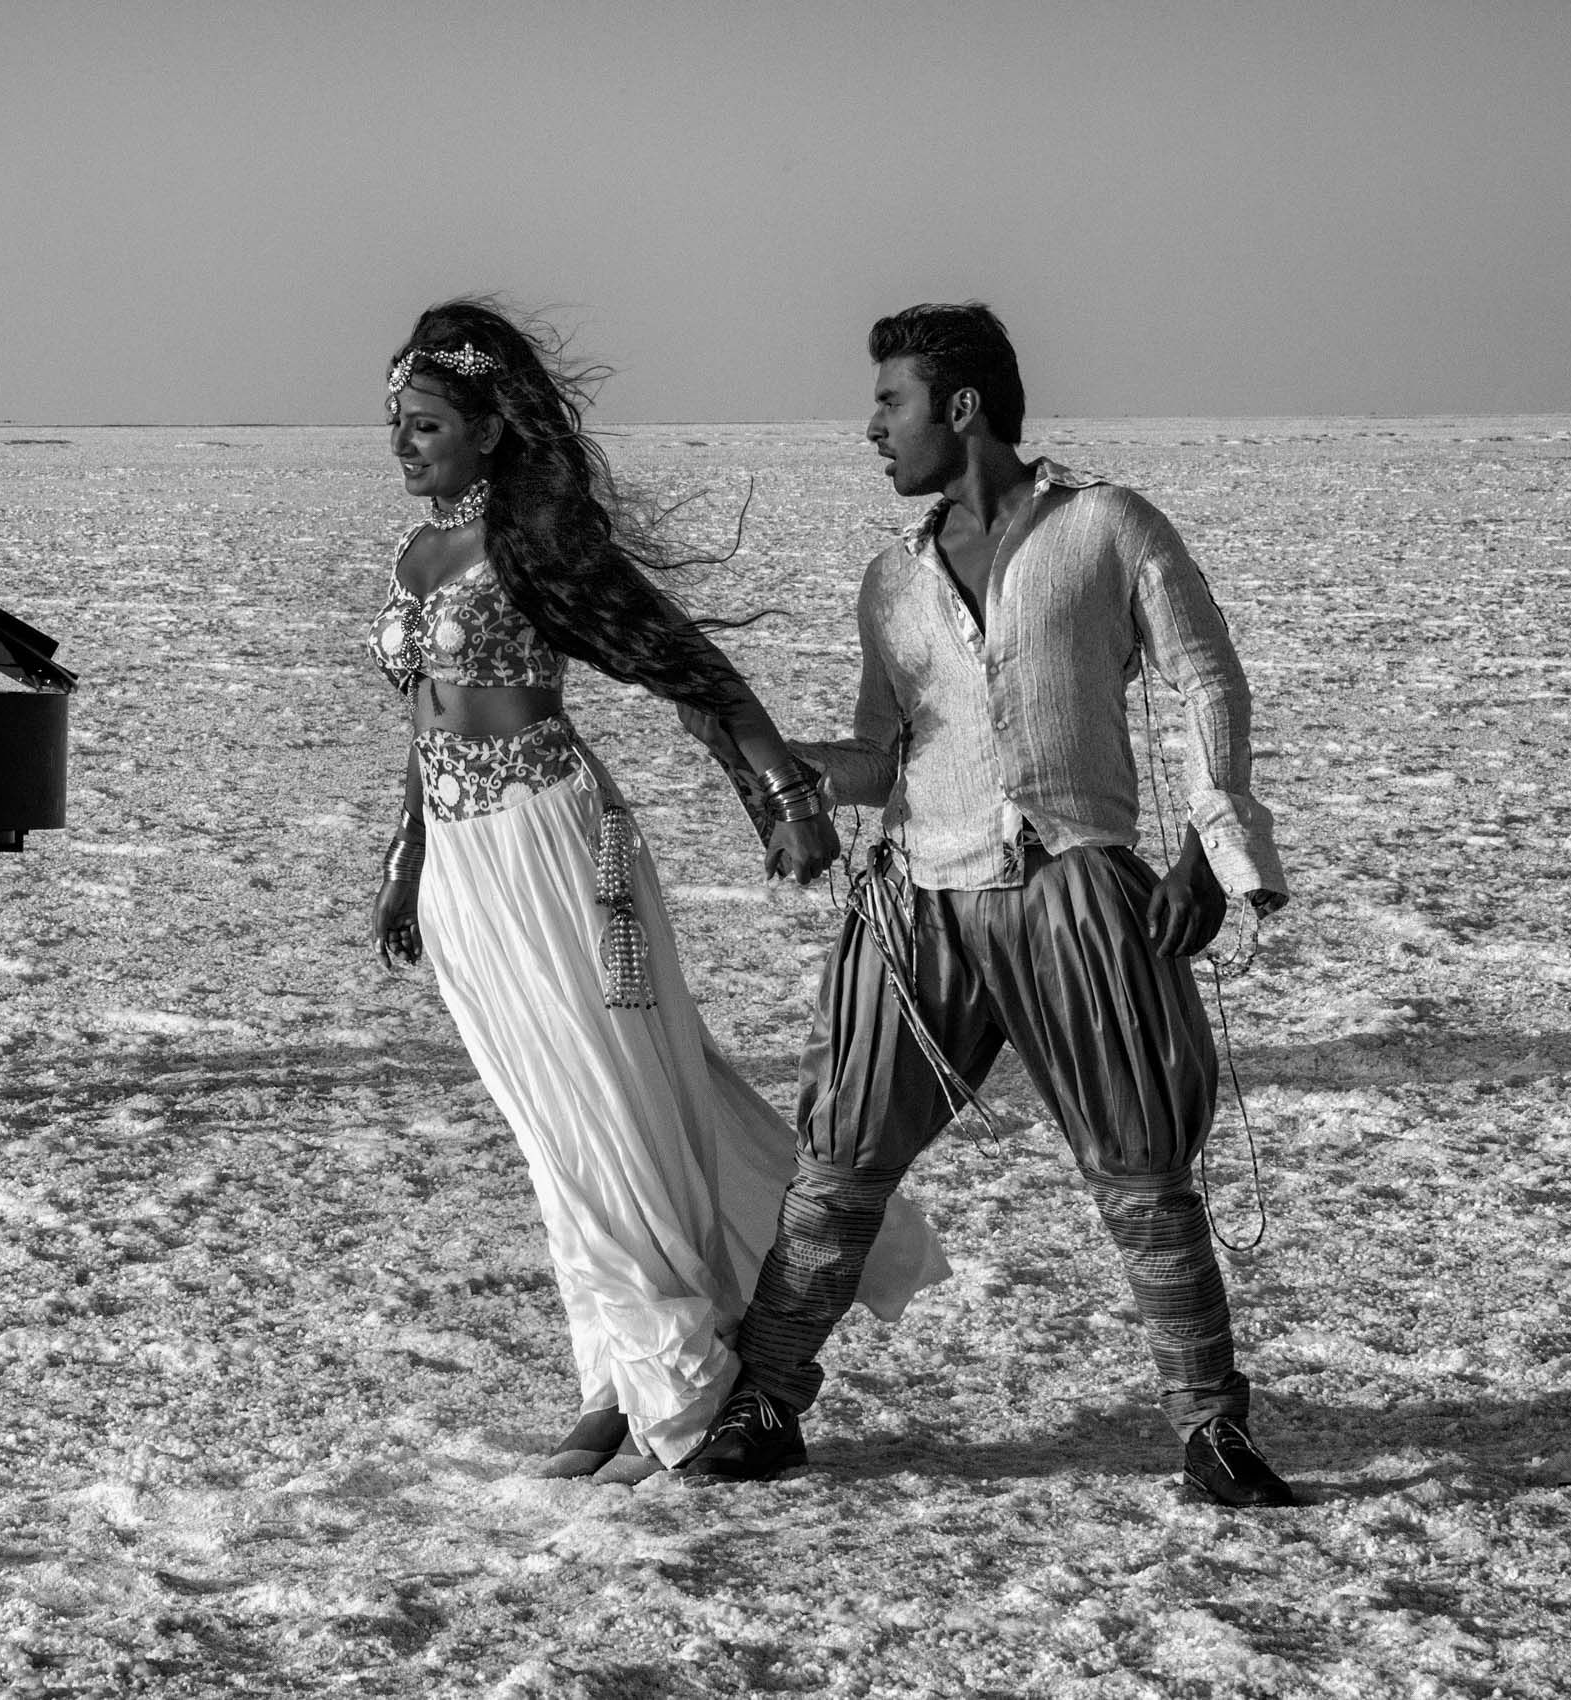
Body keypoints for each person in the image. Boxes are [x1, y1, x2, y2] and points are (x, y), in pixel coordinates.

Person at [679, 302, 1297, 1507]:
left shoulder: (1107, 527)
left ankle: (1213, 1431)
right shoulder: (891, 582)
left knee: (1142, 1164)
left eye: (889, 402)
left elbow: (1205, 675)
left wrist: (1212, 854)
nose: (872, 428)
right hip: (918, 912)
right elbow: (881, 756)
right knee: (838, 1164)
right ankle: (766, 1404)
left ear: (962, 407)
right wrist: (780, 757)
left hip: (1079, 892)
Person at [367, 299, 949, 1485]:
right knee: (550, 1131)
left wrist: (779, 795)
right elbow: (422, 728)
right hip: (465, 867)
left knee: (611, 1109)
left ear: (488, 430)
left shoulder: (533, 552)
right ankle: (613, 1378)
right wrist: (406, 855)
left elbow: (695, 670)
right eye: (396, 425)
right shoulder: (413, 556)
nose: (404, 445)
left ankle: (675, 1378)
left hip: (556, 847)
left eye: (426, 423)